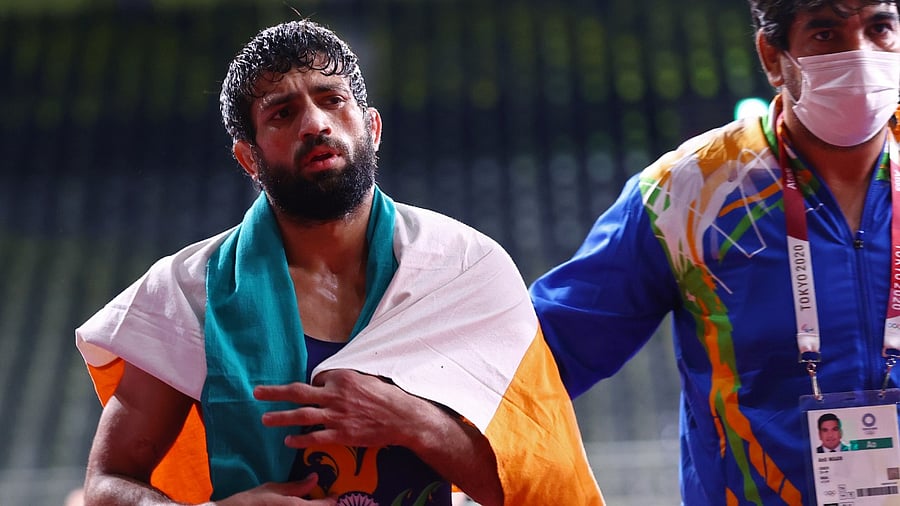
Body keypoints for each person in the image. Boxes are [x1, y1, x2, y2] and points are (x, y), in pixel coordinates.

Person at [76, 19, 603, 506]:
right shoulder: (188, 292)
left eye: (332, 100)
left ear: (371, 127)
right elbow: (106, 486)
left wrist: (412, 420)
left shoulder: (465, 267)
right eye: (282, 113)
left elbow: (544, 486)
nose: (315, 123)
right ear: (248, 158)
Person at [529, 0, 900, 504]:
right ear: (773, 57)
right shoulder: (686, 195)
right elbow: (542, 355)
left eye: (880, 27)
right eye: (826, 33)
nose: (860, 55)